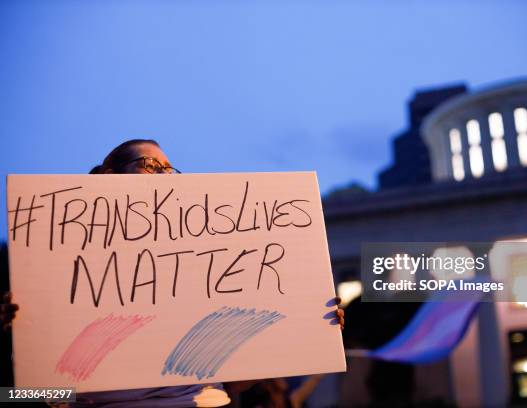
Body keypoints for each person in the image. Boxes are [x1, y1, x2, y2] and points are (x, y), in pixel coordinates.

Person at [1, 139, 345, 407]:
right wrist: (19, 340)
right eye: (150, 165)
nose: (165, 174)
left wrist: (310, 327)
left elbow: (237, 382)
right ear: (108, 177)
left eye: (170, 169)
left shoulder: (208, 259)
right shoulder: (62, 262)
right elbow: (27, 394)